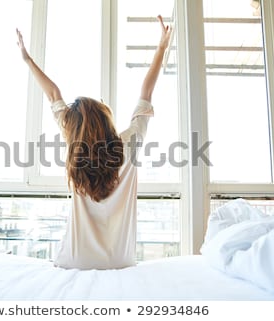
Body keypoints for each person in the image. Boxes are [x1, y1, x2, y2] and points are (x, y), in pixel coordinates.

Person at [16, 15, 172, 270]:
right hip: (119, 261)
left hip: (77, 261)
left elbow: (54, 94)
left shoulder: (75, 147)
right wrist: (162, 48)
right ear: (105, 116)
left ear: (75, 127)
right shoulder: (130, 143)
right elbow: (146, 91)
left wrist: (27, 59)